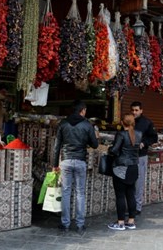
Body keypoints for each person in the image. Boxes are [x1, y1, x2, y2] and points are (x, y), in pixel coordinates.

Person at [53, 100, 99, 235]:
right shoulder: (87, 125)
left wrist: (55, 164)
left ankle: (65, 224)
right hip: (80, 161)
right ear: (83, 110)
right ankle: (80, 224)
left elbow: (57, 147)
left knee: (66, 192)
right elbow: (95, 145)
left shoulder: (63, 124)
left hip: (66, 161)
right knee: (80, 193)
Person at [107, 113, 142, 231]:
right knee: (130, 194)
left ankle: (121, 222)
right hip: (133, 168)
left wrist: (109, 149)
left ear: (122, 123)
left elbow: (114, 150)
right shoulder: (139, 134)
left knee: (120, 195)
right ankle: (131, 222)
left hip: (121, 168)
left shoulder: (121, 134)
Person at [130, 101, 158, 215]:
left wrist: (144, 143)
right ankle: (131, 205)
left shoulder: (147, 123)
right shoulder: (128, 121)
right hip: (129, 157)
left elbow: (154, 138)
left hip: (141, 156)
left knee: (138, 183)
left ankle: (137, 207)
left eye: (136, 110)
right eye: (132, 110)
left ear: (141, 110)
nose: (134, 112)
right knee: (130, 183)